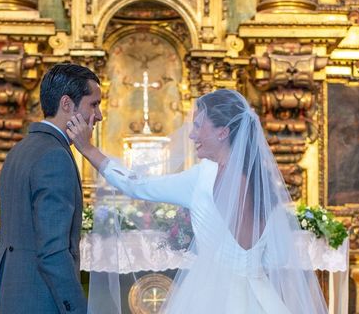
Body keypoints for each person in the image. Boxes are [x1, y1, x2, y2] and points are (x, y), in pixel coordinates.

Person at [68, 89, 328, 314]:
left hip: (211, 296)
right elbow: (279, 256)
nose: (191, 135)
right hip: (262, 297)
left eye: (197, 125)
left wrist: (88, 149)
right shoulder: (263, 184)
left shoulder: (204, 177)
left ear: (223, 132)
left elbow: (138, 186)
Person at [0, 63, 102, 314]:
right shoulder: (55, 156)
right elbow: (53, 251)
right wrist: (76, 310)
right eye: (93, 104)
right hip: (41, 300)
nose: (99, 115)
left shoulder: (20, 150)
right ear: (67, 104)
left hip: (13, 296)